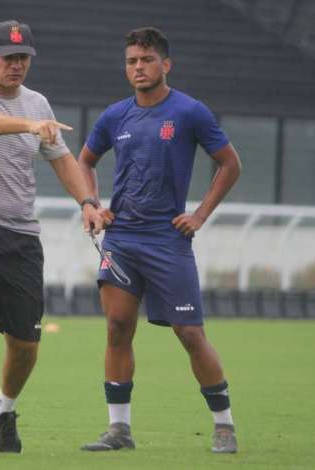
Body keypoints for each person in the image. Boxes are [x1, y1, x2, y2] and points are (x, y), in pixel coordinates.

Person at [78, 27, 242, 454]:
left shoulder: (190, 112)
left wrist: (200, 214)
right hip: (122, 239)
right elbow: (85, 160)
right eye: (132, 60)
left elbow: (229, 164)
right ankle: (119, 430)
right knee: (117, 328)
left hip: (167, 242)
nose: (138, 67)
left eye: (146, 60)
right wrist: (92, 205)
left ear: (165, 64)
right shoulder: (115, 116)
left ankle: (223, 424)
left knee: (189, 333)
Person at [0, 19, 103, 458]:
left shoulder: (38, 104)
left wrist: (88, 203)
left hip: (20, 236)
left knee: (26, 345)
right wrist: (28, 126)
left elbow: (63, 160)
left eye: (24, 58)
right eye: (9, 56)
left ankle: (4, 408)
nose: (17, 65)